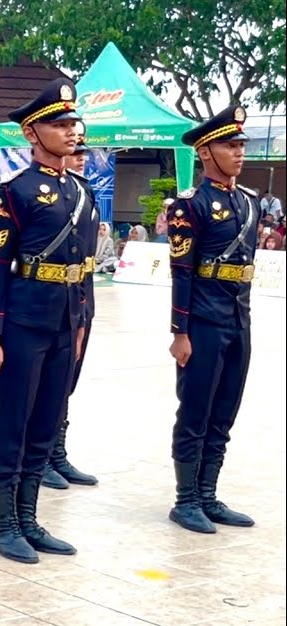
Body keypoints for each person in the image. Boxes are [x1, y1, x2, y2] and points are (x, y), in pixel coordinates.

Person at [0, 77, 87, 564]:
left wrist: (80, 322)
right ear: (31, 133)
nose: (70, 130)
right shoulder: (14, 192)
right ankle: (4, 525)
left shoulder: (82, 192)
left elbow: (82, 265)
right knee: (13, 422)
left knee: (45, 422)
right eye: (58, 124)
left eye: (72, 122)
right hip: (23, 321)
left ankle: (29, 517)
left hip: (65, 321)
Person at [166, 105, 258, 533]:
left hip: (239, 318)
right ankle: (185, 500)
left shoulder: (248, 203)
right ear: (205, 151)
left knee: (225, 410)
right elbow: (182, 272)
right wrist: (179, 332)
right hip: (202, 320)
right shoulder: (192, 206)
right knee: (196, 409)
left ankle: (208, 494)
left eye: (241, 144)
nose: (239, 152)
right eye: (229, 145)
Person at [39, 123, 100, 490]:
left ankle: (57, 453)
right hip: (48, 302)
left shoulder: (85, 196)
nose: (78, 159)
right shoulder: (41, 192)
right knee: (44, 384)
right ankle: (42, 453)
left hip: (81, 299)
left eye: (82, 155)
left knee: (67, 380)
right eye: (76, 153)